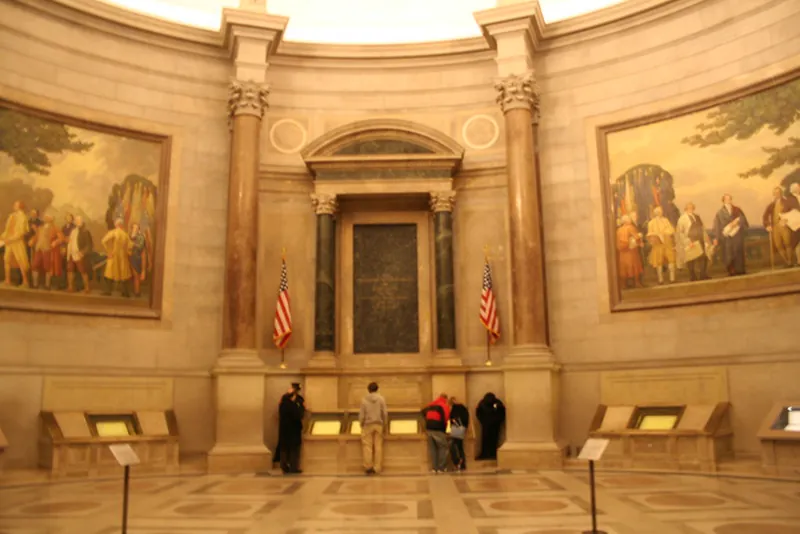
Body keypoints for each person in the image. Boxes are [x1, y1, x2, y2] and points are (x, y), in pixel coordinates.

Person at [713, 193, 749, 276]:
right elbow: (717, 226)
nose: (728, 200)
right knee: (728, 253)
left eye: (729, 199)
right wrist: (717, 238)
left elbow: (743, 219)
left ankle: (740, 269)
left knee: (738, 252)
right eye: (726, 199)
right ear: (723, 201)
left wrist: (737, 222)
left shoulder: (737, 209)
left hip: (737, 234)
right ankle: (731, 270)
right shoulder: (720, 213)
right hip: (727, 236)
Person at [275, 382, 305, 474]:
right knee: (292, 448)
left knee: (288, 447)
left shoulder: (286, 399)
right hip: (291, 427)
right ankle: (290, 466)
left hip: (288, 427)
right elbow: (299, 413)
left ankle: (288, 466)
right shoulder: (293, 400)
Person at [675, 202, 710, 281]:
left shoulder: (697, 216)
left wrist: (706, 239)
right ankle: (692, 276)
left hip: (700, 239)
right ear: (686, 209)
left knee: (703, 257)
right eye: (688, 208)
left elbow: (702, 228)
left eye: (692, 207)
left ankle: (703, 275)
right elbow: (680, 232)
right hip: (690, 240)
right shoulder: (682, 219)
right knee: (691, 259)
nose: (690, 209)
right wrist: (687, 242)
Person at [359, 382, 388, 475]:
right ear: (377, 389)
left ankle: (368, 467)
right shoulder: (381, 399)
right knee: (378, 446)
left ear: (368, 389)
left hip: (367, 425)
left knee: (367, 446)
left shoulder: (364, 400)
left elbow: (362, 414)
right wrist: (385, 424)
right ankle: (377, 467)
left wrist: (361, 423)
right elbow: (385, 413)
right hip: (378, 424)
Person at [646, 206, 677, 284]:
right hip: (658, 244)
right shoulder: (651, 223)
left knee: (671, 260)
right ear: (655, 213)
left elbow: (671, 229)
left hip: (667, 243)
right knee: (658, 262)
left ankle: (672, 278)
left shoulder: (665, 220)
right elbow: (649, 234)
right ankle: (660, 280)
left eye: (660, 211)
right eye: (658, 212)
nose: (660, 213)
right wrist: (656, 235)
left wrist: (665, 233)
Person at [421, 393, 450, 473]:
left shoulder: (432, 404)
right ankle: (441, 468)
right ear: (445, 399)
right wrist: (444, 428)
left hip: (429, 428)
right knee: (443, 447)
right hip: (438, 428)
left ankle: (434, 468)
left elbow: (423, 411)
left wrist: (428, 420)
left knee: (433, 449)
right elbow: (446, 417)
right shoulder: (443, 405)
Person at [476, 393, 506, 460]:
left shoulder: (483, 403)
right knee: (490, 440)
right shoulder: (484, 403)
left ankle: (489, 454)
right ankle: (490, 454)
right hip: (491, 425)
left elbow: (478, 413)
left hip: (490, 425)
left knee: (488, 440)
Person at [448, 396, 469, 472]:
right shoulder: (463, 408)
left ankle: (458, 463)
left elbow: (452, 419)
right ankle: (461, 464)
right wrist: (465, 427)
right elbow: (466, 419)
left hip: (456, 428)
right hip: (461, 428)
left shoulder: (455, 409)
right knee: (459, 447)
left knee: (453, 446)